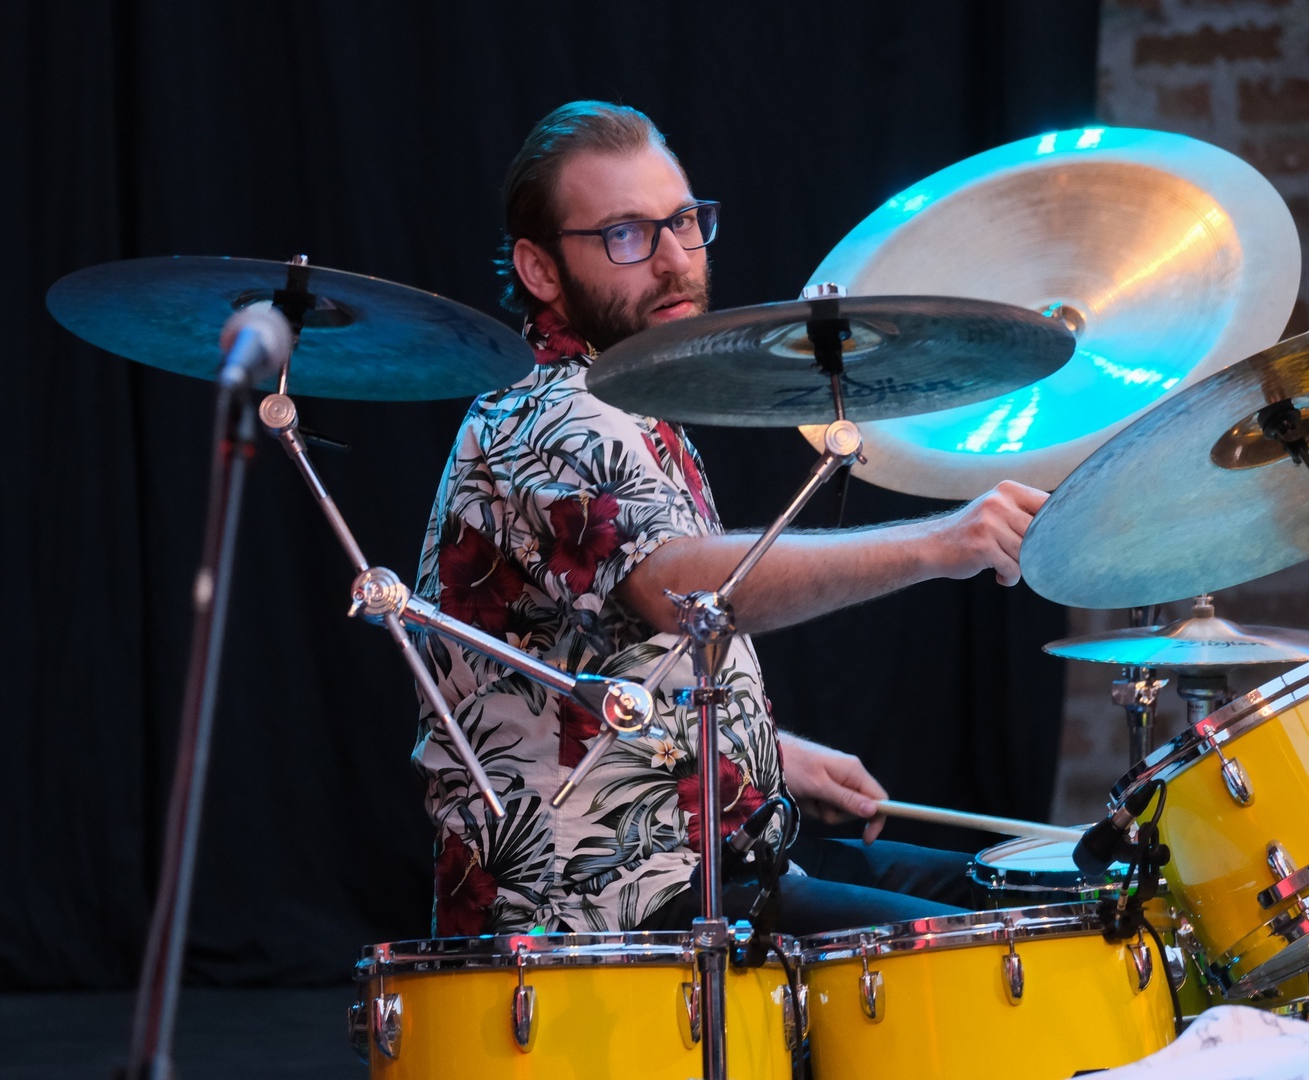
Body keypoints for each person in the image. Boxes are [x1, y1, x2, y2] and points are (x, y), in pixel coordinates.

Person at [412, 100, 1047, 938]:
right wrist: (941, 541)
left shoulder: (623, 401)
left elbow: (610, 665)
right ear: (539, 268)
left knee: (1025, 898)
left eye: (683, 223)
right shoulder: (556, 413)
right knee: (999, 953)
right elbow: (681, 591)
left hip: (703, 855)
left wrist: (765, 754)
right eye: (626, 235)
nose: (674, 260)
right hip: (598, 910)